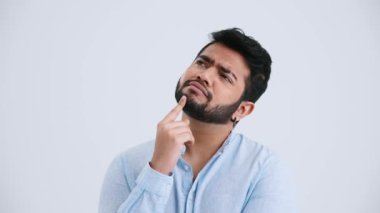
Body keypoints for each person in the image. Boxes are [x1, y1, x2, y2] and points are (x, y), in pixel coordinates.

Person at [98, 28, 297, 213]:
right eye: (202, 63)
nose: (204, 75)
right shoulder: (127, 165)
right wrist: (157, 172)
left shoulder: (263, 170)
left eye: (225, 76)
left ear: (242, 109)